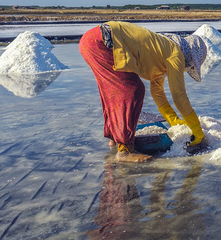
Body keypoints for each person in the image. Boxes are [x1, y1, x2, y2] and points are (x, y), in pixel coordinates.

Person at [79, 21, 207, 162]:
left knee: (113, 92)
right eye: (189, 66)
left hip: (91, 41)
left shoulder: (162, 50)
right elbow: (179, 95)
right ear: (188, 57)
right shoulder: (175, 54)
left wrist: (174, 120)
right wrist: (196, 128)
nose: (185, 68)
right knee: (132, 90)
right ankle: (124, 151)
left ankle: (114, 139)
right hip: (102, 42)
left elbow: (157, 91)